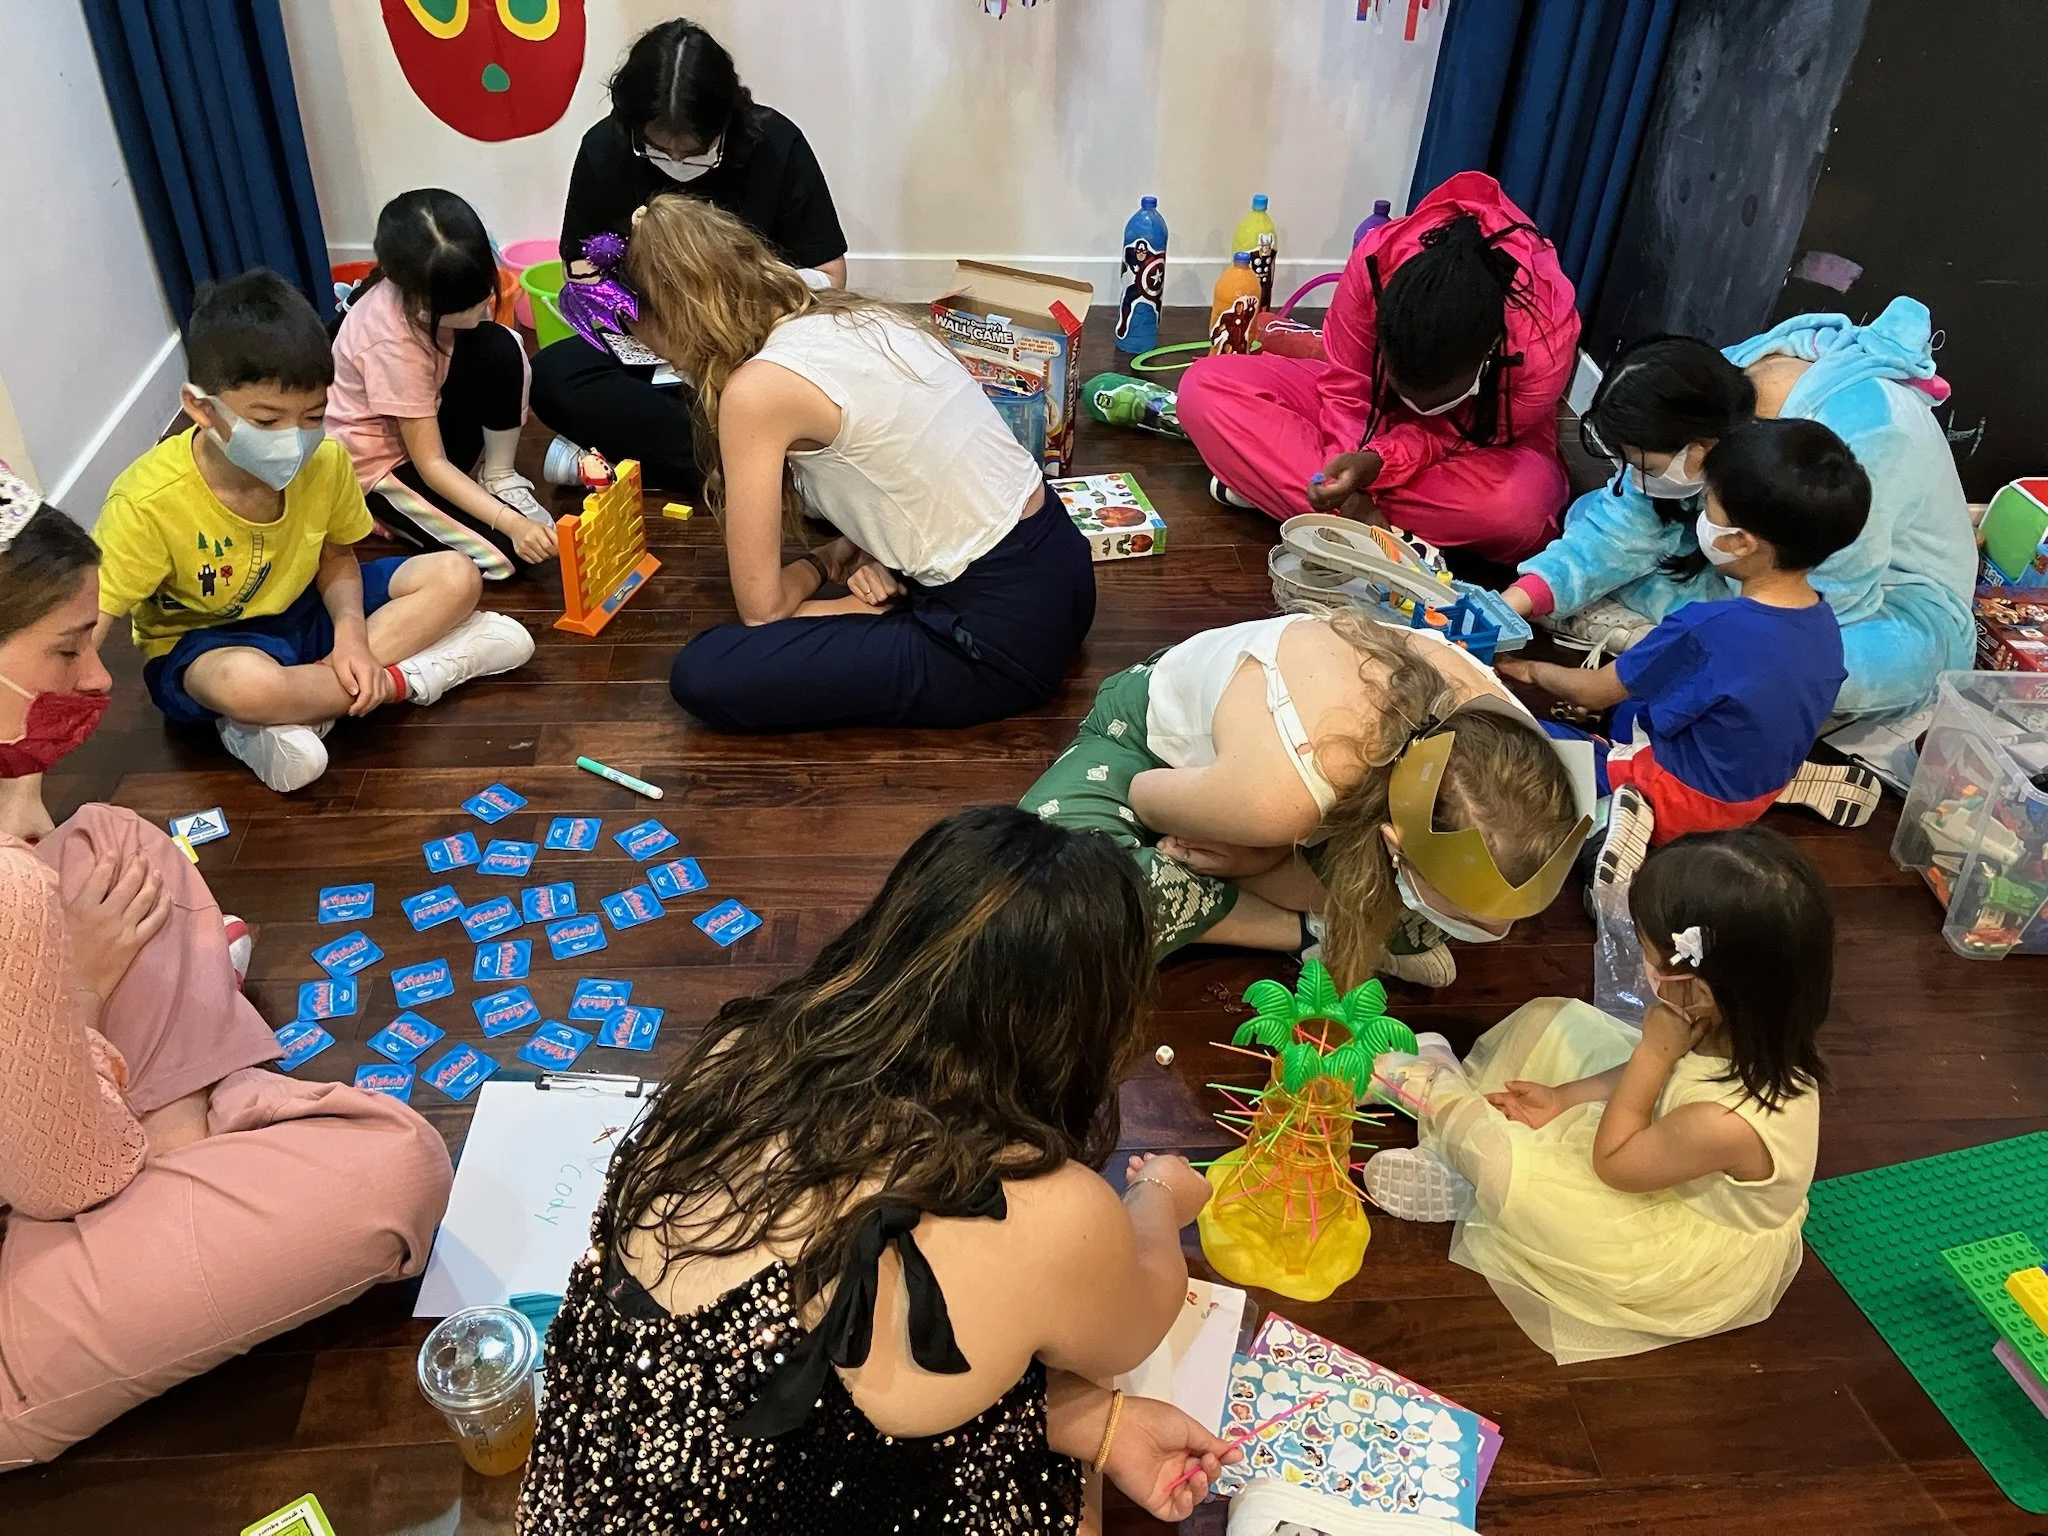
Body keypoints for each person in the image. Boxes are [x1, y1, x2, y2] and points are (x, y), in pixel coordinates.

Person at [516, 807, 1242, 1534]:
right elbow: (1135, 1325)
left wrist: (1089, 1422)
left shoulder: (738, 1048)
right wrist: (1156, 1195)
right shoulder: (1051, 1212)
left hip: (593, 1483)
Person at [0, 468, 452, 1467]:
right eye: (68, 650)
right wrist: (70, 986)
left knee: (116, 841)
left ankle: (196, 1116)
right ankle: (208, 1117)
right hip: (31, 1241)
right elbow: (71, 1178)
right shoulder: (10, 902)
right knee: (395, 1168)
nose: (100, 685)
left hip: (56, 1124)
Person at [624, 196, 1096, 732]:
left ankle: (906, 609)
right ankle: (903, 599)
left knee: (706, 669)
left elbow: (762, 608)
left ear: (676, 321)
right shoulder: (855, 313)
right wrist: (867, 551)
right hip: (1065, 570)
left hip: (997, 641)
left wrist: (826, 564)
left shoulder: (755, 391)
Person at [1361, 826, 1829, 1365]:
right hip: (1655, 1140)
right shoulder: (1740, 1027)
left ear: (1697, 991)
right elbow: (1649, 1080)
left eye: (1648, 954)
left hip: (1664, 1234)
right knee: (1549, 1019)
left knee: (1507, 1164)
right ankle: (1464, 1161)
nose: (1640, 965)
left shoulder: (1723, 1123)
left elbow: (1613, 1165)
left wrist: (1654, 1054)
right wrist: (1564, 1098)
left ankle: (1434, 1090)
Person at [94, 269, 536, 793]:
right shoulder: (146, 502)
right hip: (209, 645)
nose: (294, 439)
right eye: (266, 421)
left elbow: (337, 557)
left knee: (457, 575)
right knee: (246, 686)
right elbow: (82, 628)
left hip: (309, 608)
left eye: (313, 416)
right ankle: (414, 677)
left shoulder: (325, 460)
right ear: (200, 408)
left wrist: (352, 639)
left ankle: (298, 711)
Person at [1020, 611, 1592, 991]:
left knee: (1419, 912)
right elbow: (1146, 799)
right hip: (1153, 746)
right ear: (1392, 844)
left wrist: (1259, 862)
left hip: (1293, 806)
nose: (1498, 938)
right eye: (1469, 918)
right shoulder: (1282, 795)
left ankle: (1326, 917)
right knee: (1048, 893)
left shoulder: (1510, 743)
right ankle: (1311, 928)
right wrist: (1261, 852)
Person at [1505, 298, 1978, 719]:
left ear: (1701, 447)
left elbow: (1826, 605)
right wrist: (1517, 600)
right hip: (1766, 556)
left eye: (1644, 464)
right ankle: (1687, 648)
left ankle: (1687, 652)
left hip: (1883, 602)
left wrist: (1725, 639)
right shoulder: (1721, 389)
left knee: (1795, 663)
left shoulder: (1864, 441)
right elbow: (1627, 518)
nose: (1639, 478)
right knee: (1594, 522)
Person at [1501, 418, 1880, 842]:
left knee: (1524, 739)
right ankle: (1783, 784)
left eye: (1709, 507)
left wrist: (1529, 670)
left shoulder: (1706, 625)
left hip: (1681, 802)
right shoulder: (1823, 623)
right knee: (1633, 709)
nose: (1702, 515)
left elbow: (1591, 691)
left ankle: (1626, 817)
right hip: (1755, 782)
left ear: (1740, 543)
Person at [1176, 171, 1579, 564]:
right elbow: (1348, 390)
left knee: (1520, 510)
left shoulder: (1544, 343)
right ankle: (1374, 532)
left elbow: (1461, 440)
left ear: (1490, 352)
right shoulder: (1374, 262)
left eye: (1432, 401)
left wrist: (1374, 465)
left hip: (1479, 446)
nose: (1420, 408)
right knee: (1203, 389)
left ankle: (1297, 503)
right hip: (1374, 412)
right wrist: (1351, 489)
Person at [532, 18, 848, 494]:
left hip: (756, 348)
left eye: (696, 152)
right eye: (658, 148)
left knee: (822, 380)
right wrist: (660, 336)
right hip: (653, 345)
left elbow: (828, 274)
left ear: (727, 120)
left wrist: (738, 326)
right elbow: (581, 273)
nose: (677, 162)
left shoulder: (777, 144)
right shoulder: (604, 150)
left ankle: (672, 458)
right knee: (553, 376)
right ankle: (756, 464)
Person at [327, 188, 558, 580]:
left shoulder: (445, 287)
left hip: (426, 419)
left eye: (481, 294)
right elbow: (429, 463)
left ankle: (497, 476)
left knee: (502, 345)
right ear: (416, 298)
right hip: (384, 464)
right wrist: (511, 524)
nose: (477, 310)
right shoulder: (391, 344)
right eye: (458, 309)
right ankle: (374, 508)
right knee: (504, 559)